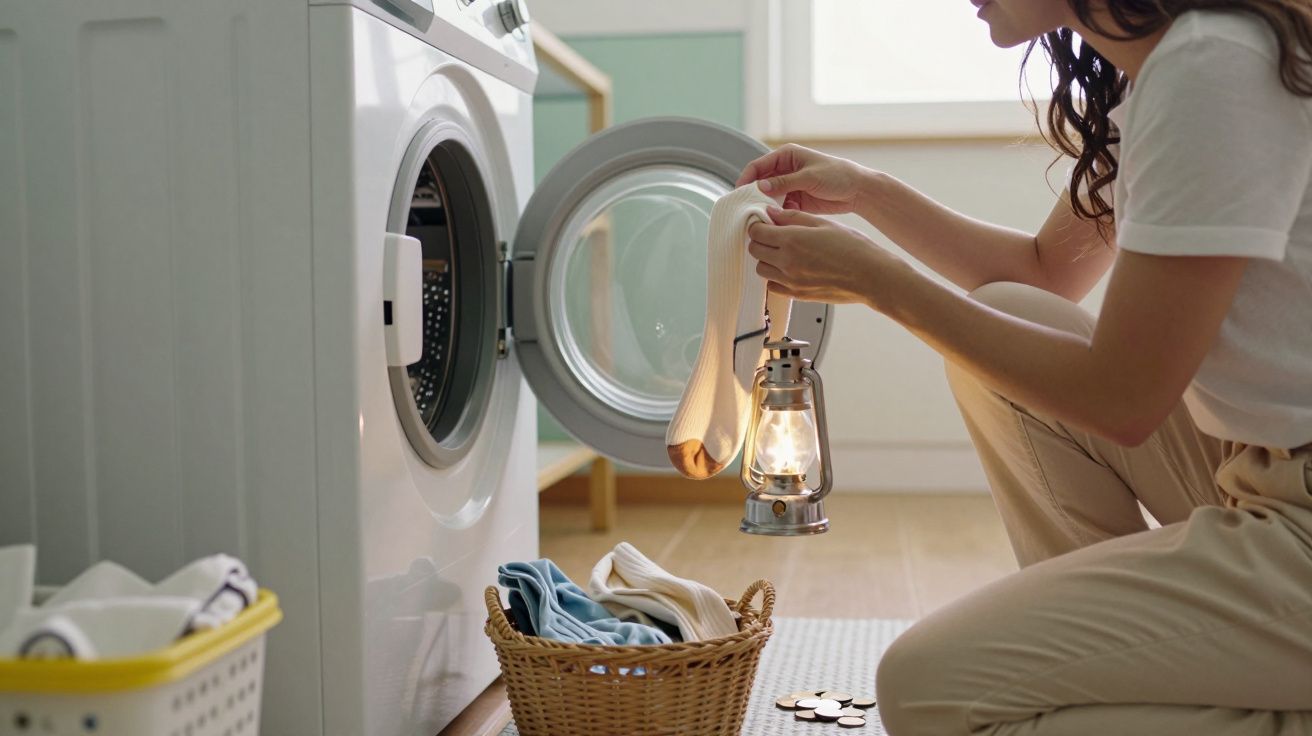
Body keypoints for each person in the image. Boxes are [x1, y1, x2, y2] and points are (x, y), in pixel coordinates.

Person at [738, 1, 1312, 734]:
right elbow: (1044, 276)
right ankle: (1143, 664)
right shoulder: (1168, 70)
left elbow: (1125, 399)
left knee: (928, 689)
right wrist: (867, 193)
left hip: (1298, 516)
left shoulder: (1214, 68)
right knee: (1010, 325)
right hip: (1254, 472)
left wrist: (878, 281)